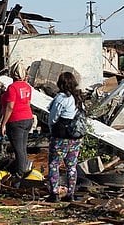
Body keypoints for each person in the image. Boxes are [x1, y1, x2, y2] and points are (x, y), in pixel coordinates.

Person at [47, 72, 85, 203]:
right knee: (72, 166)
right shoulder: (78, 98)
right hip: (76, 138)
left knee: (54, 164)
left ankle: (55, 193)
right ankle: (70, 193)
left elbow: (53, 118)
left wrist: (52, 129)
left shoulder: (61, 98)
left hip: (60, 138)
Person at [0, 60, 34, 179]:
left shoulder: (12, 88)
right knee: (23, 149)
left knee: (18, 150)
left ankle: (20, 175)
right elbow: (28, 103)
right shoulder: (27, 87)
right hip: (28, 119)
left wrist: (3, 124)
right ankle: (24, 172)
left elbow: (10, 107)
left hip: (16, 121)